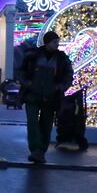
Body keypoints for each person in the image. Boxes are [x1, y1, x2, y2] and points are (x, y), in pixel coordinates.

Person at [18, 31, 74, 164]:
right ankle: (36, 150)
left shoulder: (61, 58)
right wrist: (28, 83)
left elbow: (68, 75)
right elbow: (21, 71)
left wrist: (59, 87)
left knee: (46, 125)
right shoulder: (32, 55)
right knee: (32, 123)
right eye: (54, 42)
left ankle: (40, 152)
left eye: (57, 42)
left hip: (51, 97)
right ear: (47, 42)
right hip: (32, 95)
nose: (57, 44)